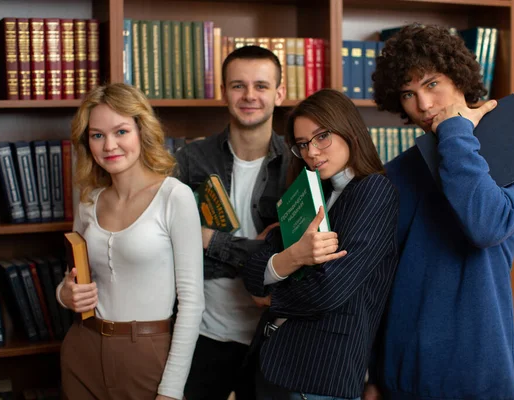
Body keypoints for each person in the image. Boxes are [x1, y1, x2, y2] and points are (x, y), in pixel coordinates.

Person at [366, 24, 514, 400]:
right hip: (402, 370)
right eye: (408, 94)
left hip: (477, 366)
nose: (424, 105)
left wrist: (455, 132)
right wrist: (372, 373)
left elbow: (485, 225)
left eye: (432, 84)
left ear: (460, 78)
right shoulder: (398, 172)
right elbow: (378, 279)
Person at [241, 88, 399, 400]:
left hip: (320, 372)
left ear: (349, 131)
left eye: (321, 136)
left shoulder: (374, 191)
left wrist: (271, 297)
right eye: (302, 144)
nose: (312, 151)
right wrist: (292, 257)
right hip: (273, 361)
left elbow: (330, 290)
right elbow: (253, 268)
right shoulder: (310, 193)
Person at [56, 82, 204, 400]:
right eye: (97, 135)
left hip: (147, 354)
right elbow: (73, 278)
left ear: (141, 131)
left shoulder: (174, 196)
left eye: (121, 131)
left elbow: (192, 303)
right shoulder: (88, 201)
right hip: (83, 349)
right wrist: (64, 294)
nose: (109, 145)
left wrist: (172, 390)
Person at [175, 45, 289, 400]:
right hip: (203, 335)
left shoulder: (298, 163)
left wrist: (209, 241)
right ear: (223, 92)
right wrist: (261, 253)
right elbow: (170, 244)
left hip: (275, 337)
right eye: (238, 85)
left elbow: (303, 262)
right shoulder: (191, 159)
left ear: (279, 93)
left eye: (261, 85)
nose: (249, 96)